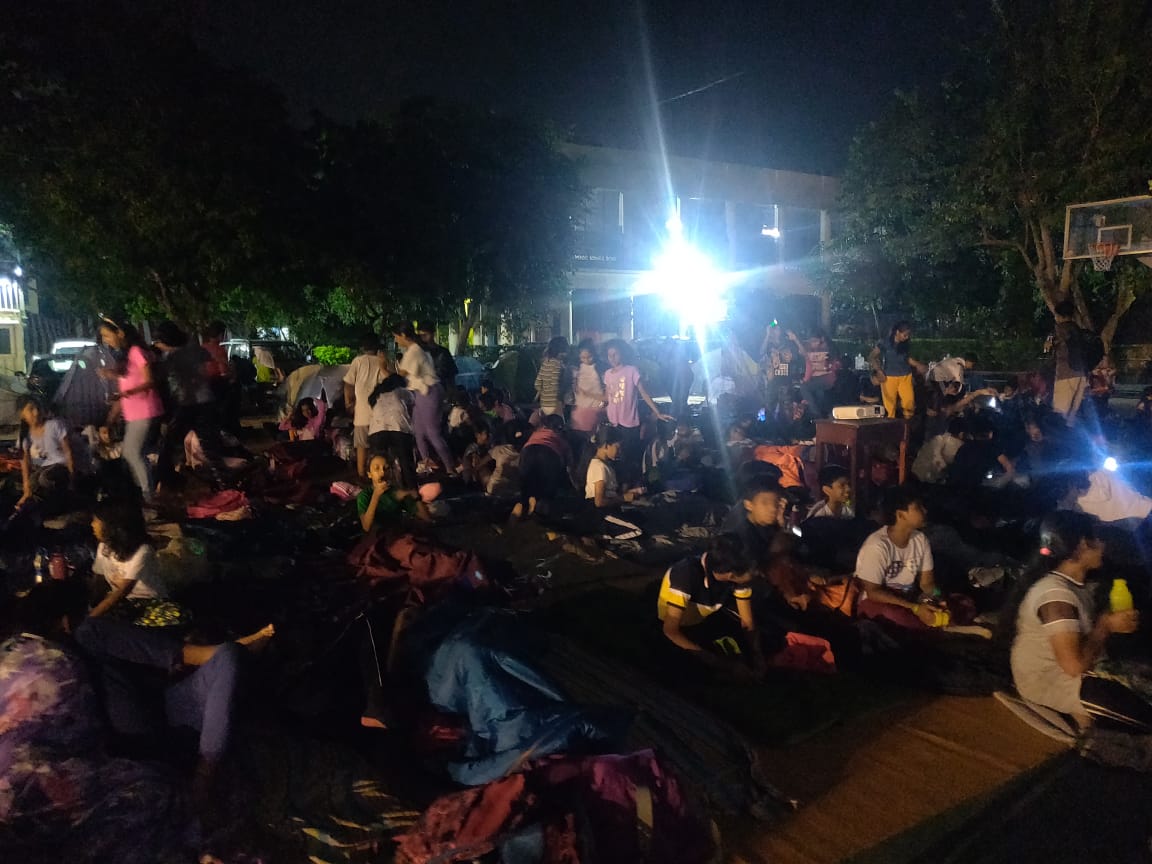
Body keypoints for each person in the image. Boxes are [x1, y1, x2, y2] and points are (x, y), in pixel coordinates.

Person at [1008, 511, 1150, 730]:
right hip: (1054, 682)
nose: (1103, 545)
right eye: (1099, 539)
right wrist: (1105, 626)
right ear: (1084, 544)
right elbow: (1074, 667)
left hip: (1085, 670)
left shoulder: (1075, 586)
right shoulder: (1056, 596)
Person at [656, 534, 766, 675]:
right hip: (677, 628)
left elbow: (747, 622)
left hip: (704, 619)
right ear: (731, 575)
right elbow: (670, 630)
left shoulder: (735, 578)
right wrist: (720, 664)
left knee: (752, 641)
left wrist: (757, 656)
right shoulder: (686, 574)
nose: (757, 573)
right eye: (753, 571)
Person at [855, 486, 945, 629]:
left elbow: (927, 583)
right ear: (900, 515)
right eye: (918, 507)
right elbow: (873, 592)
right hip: (880, 603)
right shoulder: (877, 546)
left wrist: (938, 597)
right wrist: (915, 608)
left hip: (907, 599)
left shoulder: (920, 539)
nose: (925, 511)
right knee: (895, 616)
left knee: (958, 604)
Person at [98, 317, 164, 501]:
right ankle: (145, 490)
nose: (105, 340)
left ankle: (148, 493)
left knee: (132, 452)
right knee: (135, 453)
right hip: (135, 414)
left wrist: (127, 392)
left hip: (145, 410)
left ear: (120, 333)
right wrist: (109, 421)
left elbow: (150, 381)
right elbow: (124, 393)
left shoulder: (136, 352)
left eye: (107, 335)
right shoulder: (125, 357)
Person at [89, 499, 182, 626]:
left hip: (150, 604)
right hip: (124, 603)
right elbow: (99, 581)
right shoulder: (104, 547)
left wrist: (91, 618)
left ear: (111, 525)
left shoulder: (142, 550)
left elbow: (123, 591)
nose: (92, 524)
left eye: (96, 521)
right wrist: (91, 604)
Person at [153, 320, 222, 488]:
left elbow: (171, 384)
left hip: (188, 405)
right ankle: (224, 481)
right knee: (209, 446)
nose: (157, 345)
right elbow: (209, 371)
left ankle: (168, 481)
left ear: (166, 340)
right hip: (205, 402)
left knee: (169, 446)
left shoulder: (173, 358)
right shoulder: (195, 350)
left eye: (158, 342)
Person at [602, 339, 674, 485]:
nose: (612, 358)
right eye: (609, 355)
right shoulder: (607, 374)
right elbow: (607, 397)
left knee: (630, 457)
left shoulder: (631, 371)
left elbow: (643, 393)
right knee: (616, 457)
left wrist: (657, 412)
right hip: (613, 422)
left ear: (622, 354)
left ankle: (633, 486)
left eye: (615, 354)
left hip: (629, 422)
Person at [395, 323, 458, 474]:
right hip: (421, 393)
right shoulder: (416, 349)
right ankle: (427, 464)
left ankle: (450, 468)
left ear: (403, 336)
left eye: (396, 337)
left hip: (428, 392)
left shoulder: (414, 351)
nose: (396, 340)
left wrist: (383, 367)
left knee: (432, 432)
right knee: (419, 432)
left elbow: (400, 375)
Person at [16, 395, 74, 510]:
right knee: (33, 482)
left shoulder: (54, 425)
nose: (36, 412)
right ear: (22, 414)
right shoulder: (24, 435)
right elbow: (24, 462)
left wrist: (73, 478)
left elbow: (68, 452)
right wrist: (26, 489)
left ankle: (61, 502)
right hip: (45, 467)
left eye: (38, 408)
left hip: (62, 466)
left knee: (44, 478)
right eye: (31, 409)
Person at [514, 413, 574, 518]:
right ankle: (541, 519)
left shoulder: (536, 432)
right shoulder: (561, 438)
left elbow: (519, 436)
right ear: (560, 427)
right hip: (550, 454)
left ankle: (519, 517)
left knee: (525, 492)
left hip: (528, 452)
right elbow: (569, 461)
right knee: (546, 494)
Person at [368, 365, 418, 490]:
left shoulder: (376, 395)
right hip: (399, 429)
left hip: (377, 431)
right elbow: (412, 404)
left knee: (379, 463)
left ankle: (380, 490)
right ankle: (411, 490)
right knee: (406, 462)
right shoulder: (402, 391)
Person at [343, 334, 384, 479]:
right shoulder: (383, 362)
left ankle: (361, 475)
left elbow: (348, 384)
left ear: (362, 348)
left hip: (362, 413)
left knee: (361, 446)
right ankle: (379, 475)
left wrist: (348, 402)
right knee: (379, 447)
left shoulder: (358, 361)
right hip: (381, 413)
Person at [358, 453, 429, 532]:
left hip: (398, 534)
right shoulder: (364, 496)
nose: (382, 472)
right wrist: (376, 495)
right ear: (369, 474)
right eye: (377, 468)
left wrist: (416, 497)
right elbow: (366, 527)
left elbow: (426, 517)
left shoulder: (395, 491)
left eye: (386, 468)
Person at [869, 321, 925, 420]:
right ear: (897, 332)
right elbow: (872, 356)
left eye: (908, 335)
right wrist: (878, 370)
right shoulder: (884, 343)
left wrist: (918, 365)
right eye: (905, 335)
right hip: (888, 377)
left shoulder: (906, 344)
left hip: (905, 376)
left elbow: (907, 359)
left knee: (909, 403)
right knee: (889, 407)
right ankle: (891, 426)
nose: (907, 337)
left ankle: (907, 425)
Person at [1046, 300, 1090, 422]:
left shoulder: (1059, 329)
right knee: (1072, 415)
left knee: (1060, 412)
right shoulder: (1079, 330)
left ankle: (1061, 433)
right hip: (1081, 373)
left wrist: (1049, 343)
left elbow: (1046, 348)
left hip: (1065, 373)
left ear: (1060, 316)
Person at [789, 329, 837, 418]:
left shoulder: (826, 349)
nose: (813, 344)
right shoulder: (811, 351)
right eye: (811, 342)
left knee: (804, 387)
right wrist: (795, 339)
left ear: (821, 340)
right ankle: (821, 416)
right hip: (816, 381)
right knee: (818, 393)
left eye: (815, 341)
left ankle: (816, 415)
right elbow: (805, 355)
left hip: (826, 379)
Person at [911, 416, 966, 484]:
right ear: (961, 433)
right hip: (930, 481)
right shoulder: (958, 445)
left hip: (916, 474)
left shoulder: (939, 438)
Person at [570, 339, 606, 434]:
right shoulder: (576, 368)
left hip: (597, 407)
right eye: (583, 357)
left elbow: (606, 386)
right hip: (580, 407)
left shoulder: (601, 367)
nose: (586, 360)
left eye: (589, 357)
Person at [416, 321, 458, 392]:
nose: (423, 337)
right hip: (423, 390)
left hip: (442, 389)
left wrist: (452, 391)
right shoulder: (418, 352)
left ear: (433, 334)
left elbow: (451, 375)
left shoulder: (443, 352)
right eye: (421, 335)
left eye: (426, 334)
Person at [534, 336, 570, 417]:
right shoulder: (559, 366)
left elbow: (538, 384)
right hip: (556, 402)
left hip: (545, 402)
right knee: (557, 422)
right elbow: (558, 386)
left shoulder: (545, 363)